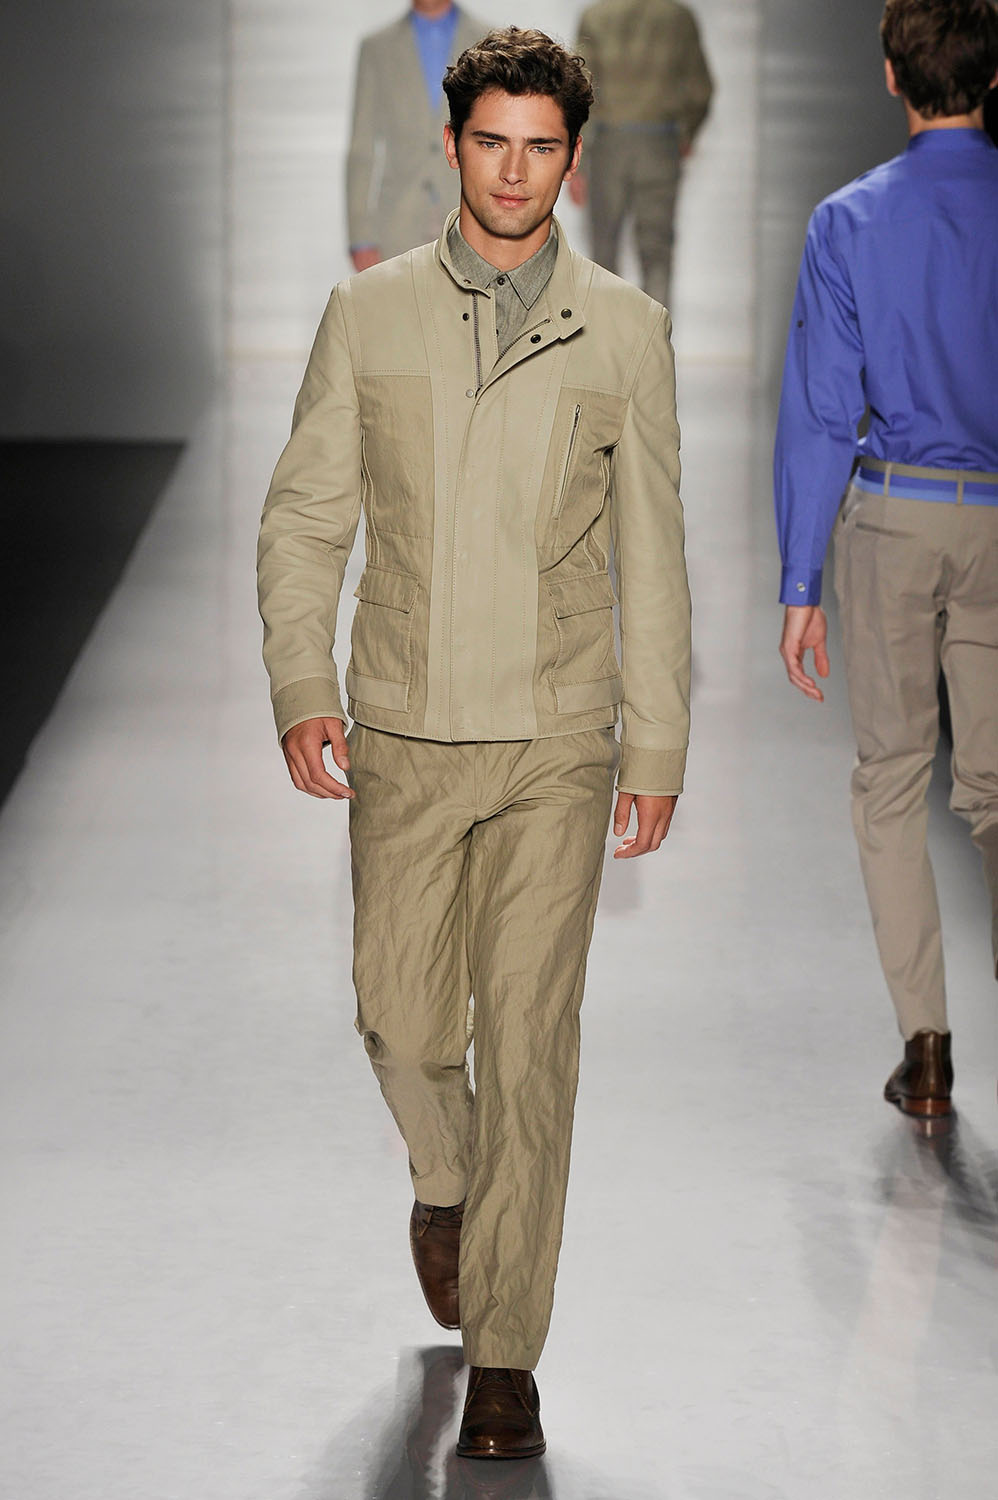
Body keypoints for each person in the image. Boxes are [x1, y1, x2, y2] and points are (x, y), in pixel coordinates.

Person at [259, 26, 691, 1460]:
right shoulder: (368, 314)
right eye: (490, 143)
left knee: (527, 1044)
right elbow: (305, 518)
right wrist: (301, 684)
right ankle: (442, 1181)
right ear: (450, 146)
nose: (513, 173)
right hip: (402, 722)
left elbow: (653, 555)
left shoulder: (623, 330)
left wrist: (654, 746)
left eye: (540, 148)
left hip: (556, 735)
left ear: (572, 159)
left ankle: (504, 1356)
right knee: (399, 1019)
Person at [774, 0, 998, 1119]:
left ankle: (927, 1050)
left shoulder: (847, 222)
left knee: (891, 781)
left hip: (893, 519)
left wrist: (799, 581)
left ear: (889, 74)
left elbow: (823, 412)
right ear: (992, 77)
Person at [570, 0, 713, 307]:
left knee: (604, 252)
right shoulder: (678, 18)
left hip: (609, 145)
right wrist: (686, 132)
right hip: (660, 144)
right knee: (656, 252)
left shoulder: (595, 17)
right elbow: (701, 90)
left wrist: (576, 159)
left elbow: (580, 92)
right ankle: (655, 335)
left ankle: (605, 334)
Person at [346, 0, 486, 270]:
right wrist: (360, 235)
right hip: (398, 218)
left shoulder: (487, 41)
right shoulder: (377, 48)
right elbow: (362, 146)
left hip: (471, 214)